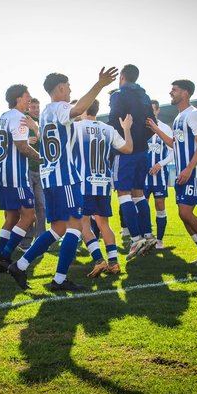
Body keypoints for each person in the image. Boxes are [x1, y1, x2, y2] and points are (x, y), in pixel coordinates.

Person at [7, 67, 119, 292]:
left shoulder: (47, 111)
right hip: (65, 178)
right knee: (76, 227)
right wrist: (100, 85)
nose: (70, 90)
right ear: (59, 88)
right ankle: (59, 279)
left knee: (57, 228)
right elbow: (78, 109)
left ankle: (20, 265)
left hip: (50, 178)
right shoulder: (60, 107)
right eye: (68, 86)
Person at [146, 79, 197, 266]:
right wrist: (155, 129)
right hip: (182, 173)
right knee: (182, 214)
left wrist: (189, 168)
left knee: (186, 213)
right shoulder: (179, 118)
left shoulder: (194, 115)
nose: (171, 92)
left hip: (194, 173)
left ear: (185, 93)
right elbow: (173, 144)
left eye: (175, 90)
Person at [74, 99, 133, 276]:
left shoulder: (76, 128)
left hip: (84, 182)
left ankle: (99, 260)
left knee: (83, 223)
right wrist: (127, 129)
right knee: (103, 223)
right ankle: (114, 263)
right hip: (103, 183)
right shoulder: (108, 129)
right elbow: (129, 149)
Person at [0, 85, 41, 272]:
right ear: (19, 98)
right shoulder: (18, 117)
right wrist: (43, 159)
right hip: (16, 176)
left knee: (11, 217)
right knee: (29, 215)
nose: (30, 99)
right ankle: (5, 255)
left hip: (3, 174)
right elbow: (22, 147)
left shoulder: (1, 118)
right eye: (27, 96)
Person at [108, 65, 157, 257]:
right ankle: (148, 234)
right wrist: (140, 140)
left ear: (121, 77)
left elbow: (113, 121)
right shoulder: (145, 96)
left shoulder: (118, 95)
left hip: (125, 151)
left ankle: (136, 240)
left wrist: (125, 142)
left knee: (123, 193)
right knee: (138, 193)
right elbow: (151, 125)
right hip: (142, 151)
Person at [143, 99, 173, 251]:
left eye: (153, 109)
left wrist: (160, 164)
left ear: (158, 110)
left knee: (160, 205)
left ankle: (160, 240)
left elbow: (173, 153)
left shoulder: (165, 128)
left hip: (159, 175)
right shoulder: (140, 126)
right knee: (142, 206)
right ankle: (146, 238)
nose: (151, 112)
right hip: (143, 176)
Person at [19, 98, 46, 251]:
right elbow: (17, 143)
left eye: (37, 106)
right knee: (29, 206)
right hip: (27, 169)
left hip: (40, 169)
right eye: (33, 107)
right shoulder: (23, 121)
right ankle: (26, 240)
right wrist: (27, 140)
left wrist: (36, 130)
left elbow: (50, 142)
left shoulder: (42, 122)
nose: (36, 109)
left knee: (41, 205)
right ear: (28, 108)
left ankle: (41, 238)